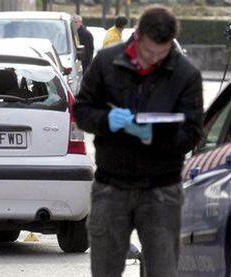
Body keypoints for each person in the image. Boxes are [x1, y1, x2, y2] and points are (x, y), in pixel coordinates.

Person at [73, 5, 203, 277]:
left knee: (163, 270)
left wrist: (152, 137)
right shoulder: (107, 62)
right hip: (111, 186)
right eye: (147, 51)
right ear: (137, 36)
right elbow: (82, 111)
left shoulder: (185, 75)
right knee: (105, 271)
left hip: (162, 190)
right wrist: (106, 120)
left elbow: (192, 134)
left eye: (161, 53)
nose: (152, 59)